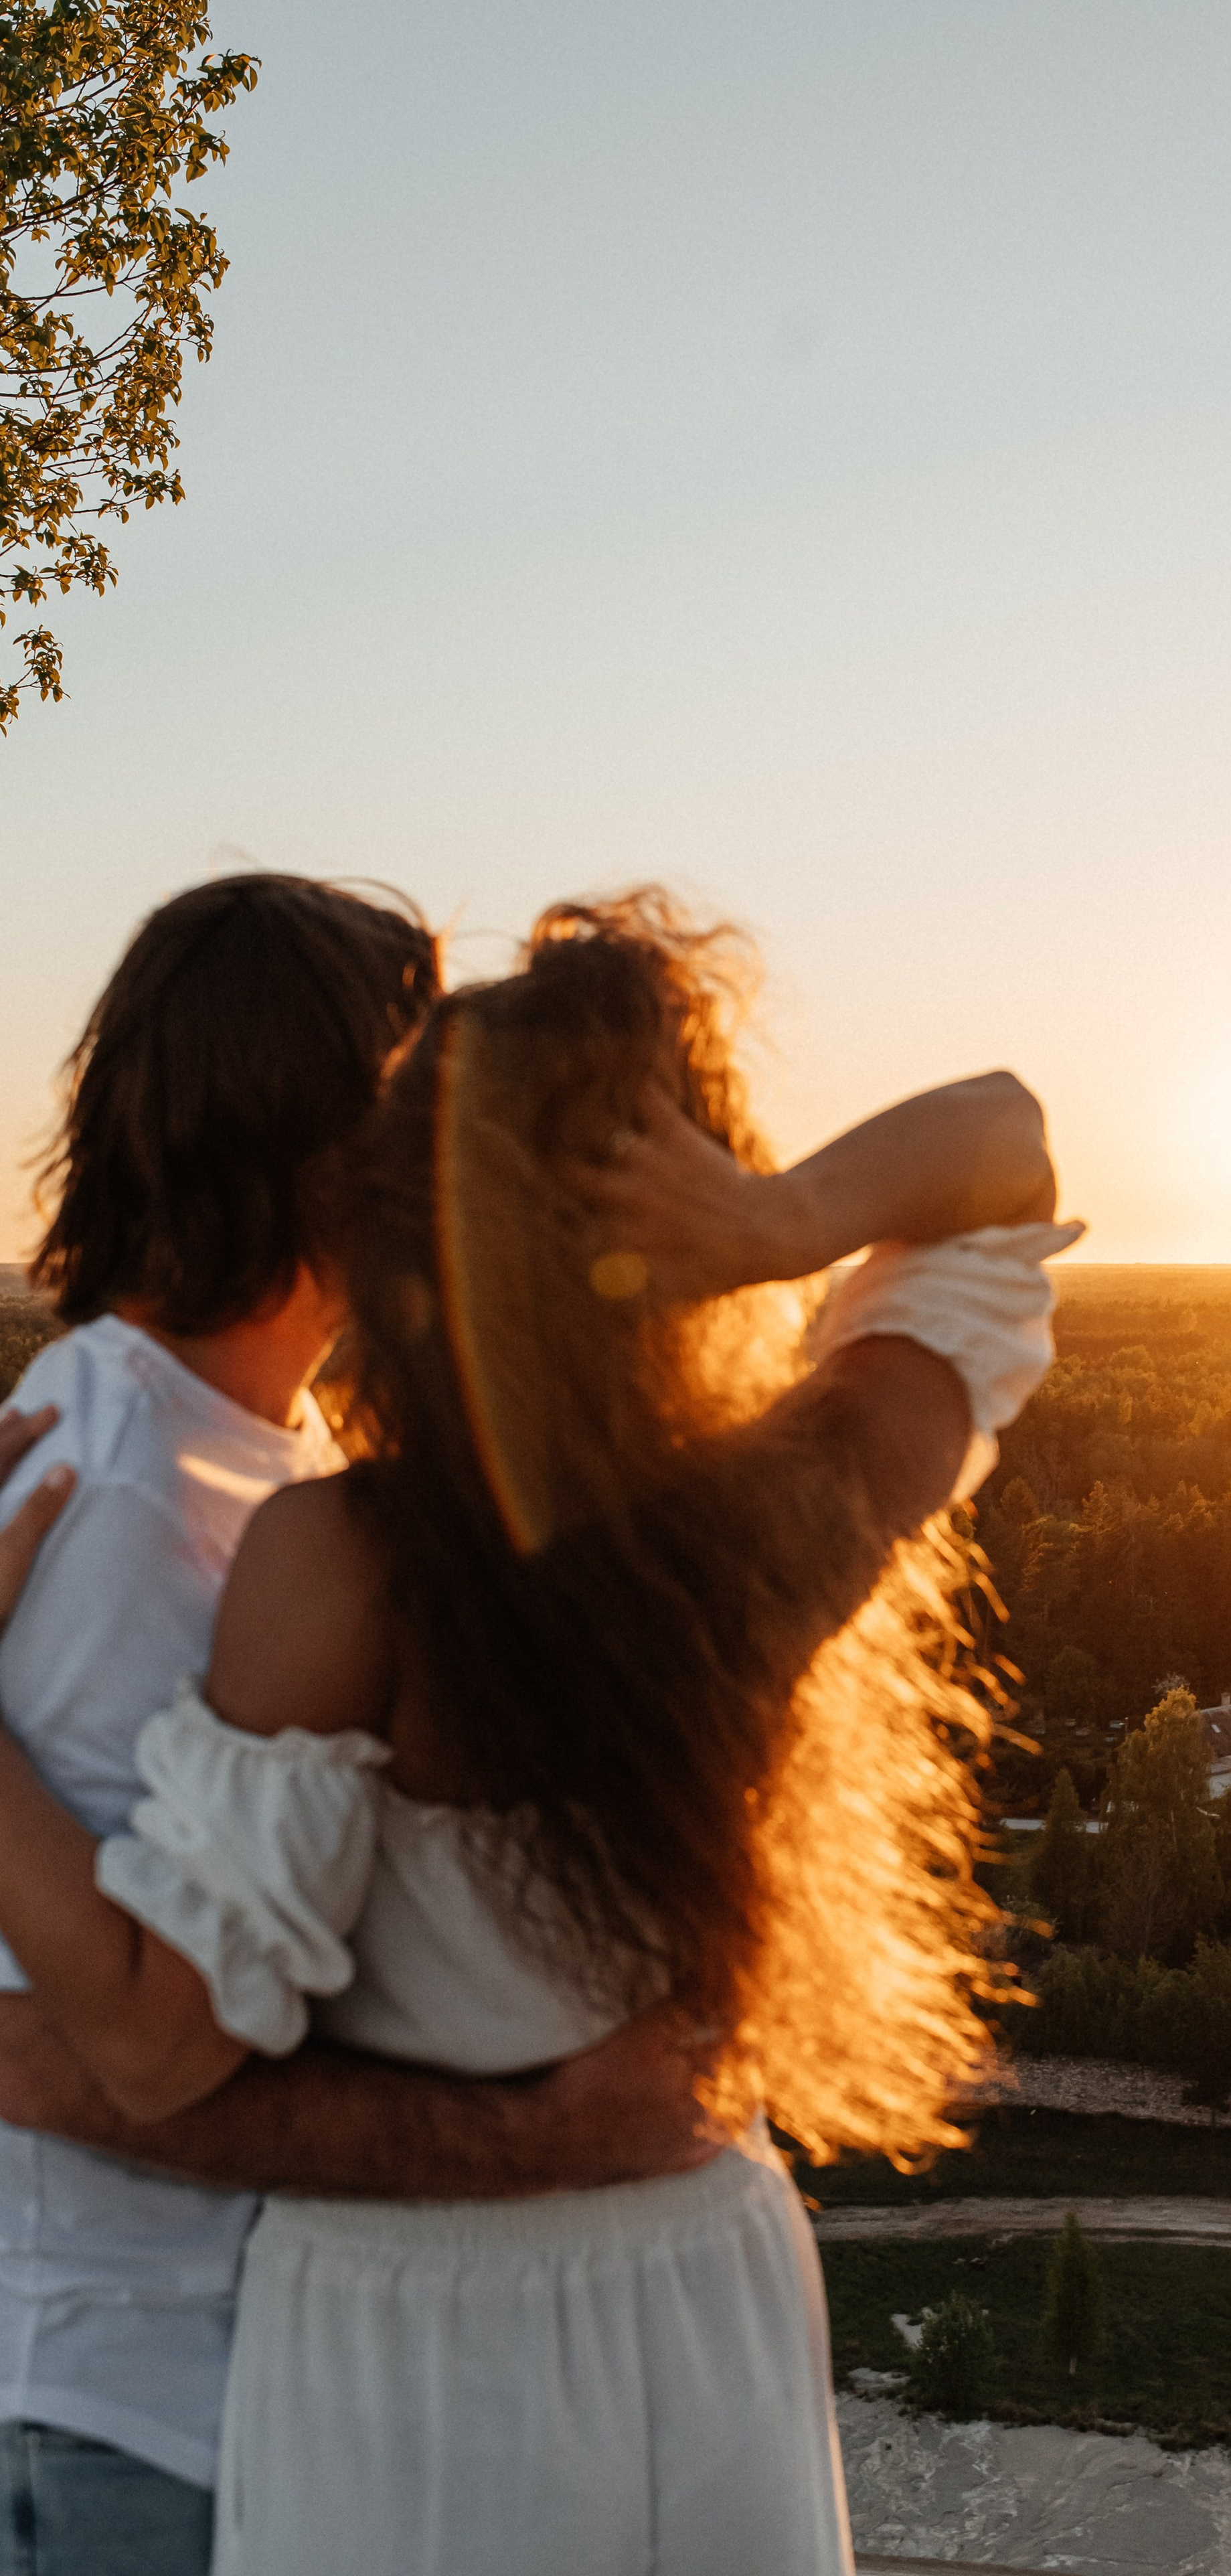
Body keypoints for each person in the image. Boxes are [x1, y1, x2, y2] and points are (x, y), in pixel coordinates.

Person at [0, 890, 1078, 2574]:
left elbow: (151, 2036)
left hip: (396, 2352)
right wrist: (777, 1221)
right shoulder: (780, 1517)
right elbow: (1005, 1149)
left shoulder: (331, 1561)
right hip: (704, 2294)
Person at [0, 878, 716, 2576]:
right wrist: (550, 2133)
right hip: (123, 2419)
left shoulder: (254, 1454)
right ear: (332, 1133)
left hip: (239, 2389)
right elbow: (141, 2037)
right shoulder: (116, 1484)